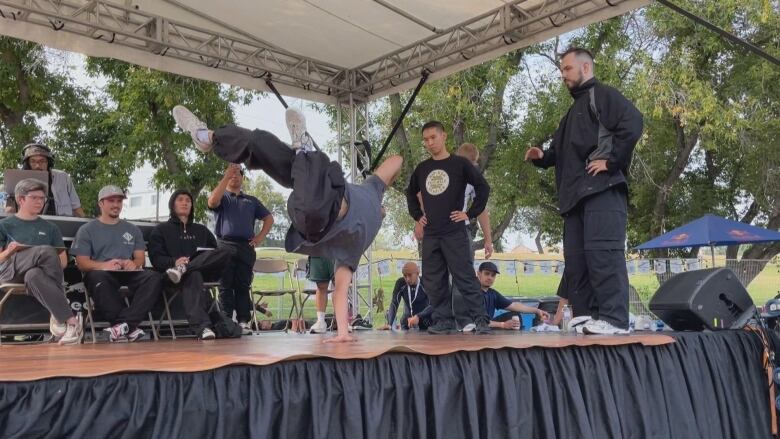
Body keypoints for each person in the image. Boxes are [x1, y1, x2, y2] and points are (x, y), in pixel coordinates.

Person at [171, 105, 402, 343]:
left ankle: (305, 149)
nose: (383, 213)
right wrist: (385, 184)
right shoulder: (374, 190)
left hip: (315, 213)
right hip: (311, 187)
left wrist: (343, 332)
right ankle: (208, 137)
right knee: (258, 142)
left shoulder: (356, 247)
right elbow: (397, 159)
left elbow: (341, 292)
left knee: (316, 194)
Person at [524, 47, 643, 335]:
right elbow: (562, 153)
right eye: (562, 70)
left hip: (602, 190)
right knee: (577, 259)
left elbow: (634, 123)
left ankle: (614, 319)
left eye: (567, 68)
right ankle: (587, 315)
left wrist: (612, 162)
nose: (562, 74)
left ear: (585, 67)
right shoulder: (572, 111)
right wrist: (542, 158)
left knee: (603, 253)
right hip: (574, 196)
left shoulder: (602, 95)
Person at [406, 121, 491, 335]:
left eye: (433, 137)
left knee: (464, 276)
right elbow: (410, 193)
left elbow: (483, 187)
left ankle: (481, 319)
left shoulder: (459, 165)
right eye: (425, 139)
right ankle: (443, 320)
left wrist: (469, 213)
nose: (429, 142)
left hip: (454, 232)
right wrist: (418, 216)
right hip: (432, 234)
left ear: (444, 136)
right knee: (434, 280)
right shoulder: (423, 168)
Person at [70, 185, 163, 342]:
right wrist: (103, 265)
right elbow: (82, 263)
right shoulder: (87, 229)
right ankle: (128, 327)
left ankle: (124, 325)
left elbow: (140, 258)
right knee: (98, 278)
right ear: (101, 203)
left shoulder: (132, 229)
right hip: (102, 273)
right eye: (111, 201)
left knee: (154, 277)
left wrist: (133, 263)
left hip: (128, 274)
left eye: (119, 201)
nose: (116, 205)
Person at [0, 178, 82, 344]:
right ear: (20, 199)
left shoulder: (51, 228)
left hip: (36, 277)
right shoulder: (4, 225)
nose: (40, 201)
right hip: (9, 272)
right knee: (45, 250)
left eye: (42, 198)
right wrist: (9, 251)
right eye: (34, 197)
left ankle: (66, 319)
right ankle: (63, 308)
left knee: (34, 274)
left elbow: (63, 262)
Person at [147, 189, 233, 340]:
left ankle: (185, 268)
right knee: (194, 274)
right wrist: (174, 261)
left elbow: (214, 253)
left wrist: (189, 264)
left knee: (226, 251)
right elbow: (156, 259)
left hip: (202, 273)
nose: (185, 203)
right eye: (180, 200)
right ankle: (203, 327)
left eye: (188, 200)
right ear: (172, 205)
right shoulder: (160, 230)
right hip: (171, 276)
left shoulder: (202, 230)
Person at [207, 164, 274, 335]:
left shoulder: (251, 200)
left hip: (246, 246)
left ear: (243, 178)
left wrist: (260, 237)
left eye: (238, 174)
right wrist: (225, 176)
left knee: (243, 285)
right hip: (224, 245)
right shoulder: (223, 198)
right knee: (225, 285)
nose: (234, 176)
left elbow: (268, 218)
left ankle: (244, 321)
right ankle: (226, 320)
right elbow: (212, 201)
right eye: (231, 174)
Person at [5, 143, 84, 217]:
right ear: (27, 164)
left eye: (42, 161)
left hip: (60, 226)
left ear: (48, 163)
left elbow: (76, 208)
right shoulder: (17, 181)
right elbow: (9, 211)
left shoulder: (63, 177)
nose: (38, 165)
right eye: (33, 161)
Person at [475, 262, 549, 330]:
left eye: (493, 275)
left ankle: (517, 342)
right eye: (487, 274)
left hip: (486, 326)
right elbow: (474, 322)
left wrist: (537, 311)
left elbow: (514, 306)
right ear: (479, 274)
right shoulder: (472, 294)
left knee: (514, 316)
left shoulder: (492, 293)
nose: (490, 278)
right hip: (473, 329)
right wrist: (503, 324)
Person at [380, 261, 433, 331]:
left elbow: (433, 304)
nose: (407, 279)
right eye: (405, 276)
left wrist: (418, 316)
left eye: (410, 275)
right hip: (407, 322)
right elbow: (394, 303)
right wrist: (389, 324)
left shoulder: (425, 283)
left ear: (417, 273)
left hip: (425, 322)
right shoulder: (400, 283)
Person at [306, 256, 334, 334]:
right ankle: (321, 321)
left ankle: (343, 322)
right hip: (318, 250)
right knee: (321, 286)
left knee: (339, 287)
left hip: (338, 251)